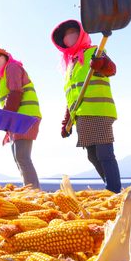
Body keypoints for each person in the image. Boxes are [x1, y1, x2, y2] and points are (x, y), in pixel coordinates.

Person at [52, 19, 121, 193]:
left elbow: (111, 69)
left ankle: (114, 190)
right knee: (92, 155)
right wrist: (66, 122)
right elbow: (72, 97)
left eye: (73, 33)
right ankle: (109, 186)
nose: (69, 37)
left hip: (99, 110)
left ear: (81, 34)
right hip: (82, 116)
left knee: (104, 153)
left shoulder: (94, 52)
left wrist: (101, 64)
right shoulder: (70, 66)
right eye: (66, 36)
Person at [0, 48, 42, 189]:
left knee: (22, 157)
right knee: (19, 158)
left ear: (6, 57)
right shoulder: (2, 77)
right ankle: (29, 189)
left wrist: (4, 119)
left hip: (25, 117)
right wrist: (7, 127)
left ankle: (33, 191)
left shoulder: (12, 67)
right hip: (17, 119)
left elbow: (16, 92)